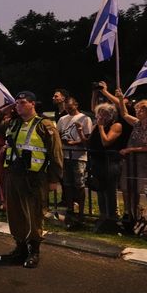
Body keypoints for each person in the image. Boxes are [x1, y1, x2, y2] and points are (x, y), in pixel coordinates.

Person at [0, 91, 62, 268]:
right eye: (17, 103)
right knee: (15, 214)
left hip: (34, 177)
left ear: (32, 104)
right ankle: (20, 248)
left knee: (34, 215)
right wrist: (3, 111)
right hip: (13, 176)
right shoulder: (12, 123)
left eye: (22, 102)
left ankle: (34, 251)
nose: (18, 106)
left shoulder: (44, 124)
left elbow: (56, 153)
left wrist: (54, 179)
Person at [115, 89, 147, 225]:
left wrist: (131, 149)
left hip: (144, 163)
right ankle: (131, 216)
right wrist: (121, 99)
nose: (137, 112)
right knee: (128, 188)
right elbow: (124, 114)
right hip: (131, 162)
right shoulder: (137, 123)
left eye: (141, 110)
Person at [87, 103, 126, 233]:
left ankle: (112, 218)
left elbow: (106, 142)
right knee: (99, 189)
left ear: (111, 115)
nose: (100, 116)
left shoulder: (116, 125)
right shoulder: (97, 126)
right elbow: (90, 142)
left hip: (110, 162)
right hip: (97, 161)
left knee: (110, 191)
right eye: (99, 113)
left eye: (104, 114)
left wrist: (101, 127)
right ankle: (103, 216)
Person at [56, 96, 93, 229]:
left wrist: (75, 141)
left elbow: (88, 138)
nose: (68, 109)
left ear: (76, 105)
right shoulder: (62, 119)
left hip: (79, 156)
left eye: (70, 106)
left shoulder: (85, 119)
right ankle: (70, 209)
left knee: (79, 184)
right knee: (67, 183)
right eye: (66, 107)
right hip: (66, 155)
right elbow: (58, 134)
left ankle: (82, 211)